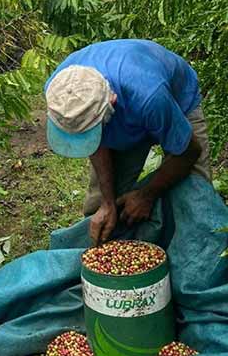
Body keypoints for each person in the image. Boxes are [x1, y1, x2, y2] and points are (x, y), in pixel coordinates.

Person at [44, 39, 212, 245]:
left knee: (196, 196)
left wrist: (146, 195)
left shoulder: (151, 97)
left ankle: (195, 254)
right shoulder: (59, 91)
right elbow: (96, 142)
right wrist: (108, 203)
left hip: (174, 100)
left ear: (112, 102)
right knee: (101, 203)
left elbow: (189, 152)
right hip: (129, 109)